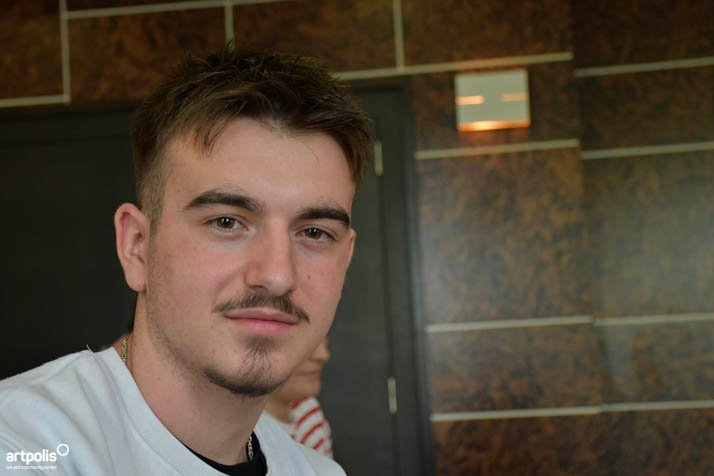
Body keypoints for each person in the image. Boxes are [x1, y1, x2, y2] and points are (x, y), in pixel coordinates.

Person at [0, 45, 371, 475]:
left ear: (346, 259)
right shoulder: (24, 445)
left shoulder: (319, 472)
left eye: (314, 233)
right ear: (137, 246)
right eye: (227, 222)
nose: (276, 275)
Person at [264, 339, 333, 458]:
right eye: (305, 340)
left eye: (323, 338)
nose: (324, 355)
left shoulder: (307, 408)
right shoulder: (247, 440)